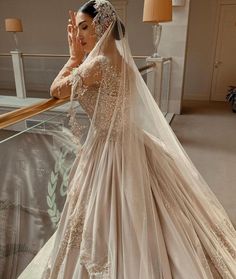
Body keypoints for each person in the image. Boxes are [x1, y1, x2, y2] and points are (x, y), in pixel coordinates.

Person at [18, 0, 236, 278]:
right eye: (78, 29)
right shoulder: (120, 61)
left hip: (108, 148)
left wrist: (73, 59)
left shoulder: (96, 64)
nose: (80, 35)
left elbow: (56, 90)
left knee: (108, 213)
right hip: (128, 139)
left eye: (85, 27)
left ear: (104, 26)